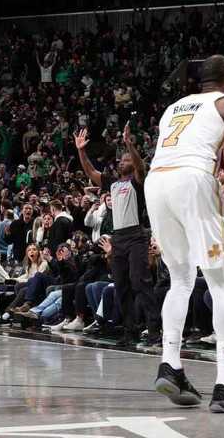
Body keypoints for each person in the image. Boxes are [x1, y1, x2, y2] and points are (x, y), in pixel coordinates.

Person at [144, 55, 224, 412]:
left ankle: (170, 364)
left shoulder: (172, 108)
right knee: (220, 282)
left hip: (157, 181)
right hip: (192, 178)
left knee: (180, 279)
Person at [74, 116, 157, 347]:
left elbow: (140, 167)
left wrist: (130, 144)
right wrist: (81, 151)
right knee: (121, 284)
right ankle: (130, 330)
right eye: (121, 159)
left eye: (126, 158)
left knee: (140, 282)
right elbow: (90, 171)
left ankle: (154, 329)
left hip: (136, 235)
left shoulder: (138, 182)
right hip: (118, 237)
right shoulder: (112, 182)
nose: (122, 161)